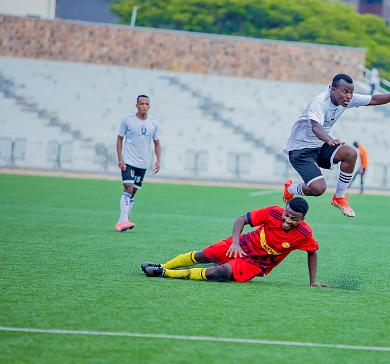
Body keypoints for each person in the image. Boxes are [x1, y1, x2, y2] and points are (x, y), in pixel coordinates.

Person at [282, 73, 390, 218]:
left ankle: (339, 198)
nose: (349, 96)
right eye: (345, 92)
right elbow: (316, 127)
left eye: (351, 92)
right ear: (333, 89)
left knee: (351, 153)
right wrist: (329, 140)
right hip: (300, 150)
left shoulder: (347, 99)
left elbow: (374, 99)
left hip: (320, 145)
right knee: (318, 189)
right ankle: (290, 189)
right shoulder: (319, 102)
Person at [141, 197, 328, 287]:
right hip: (243, 244)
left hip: (257, 263)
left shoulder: (304, 233)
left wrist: (313, 281)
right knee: (203, 255)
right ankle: (162, 265)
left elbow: (312, 252)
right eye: (286, 215)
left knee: (220, 273)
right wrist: (235, 243)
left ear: (302, 219)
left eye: (294, 219)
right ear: (284, 209)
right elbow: (241, 220)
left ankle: (164, 273)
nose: (287, 220)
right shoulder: (273, 212)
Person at [115, 95, 161, 232]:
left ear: (149, 106)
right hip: (128, 161)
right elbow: (119, 139)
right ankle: (124, 220)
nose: (144, 106)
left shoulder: (153, 124)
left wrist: (158, 160)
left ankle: (121, 221)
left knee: (133, 192)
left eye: (146, 104)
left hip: (143, 164)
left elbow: (157, 143)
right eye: (141, 104)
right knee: (128, 188)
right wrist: (120, 158)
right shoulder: (128, 120)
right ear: (136, 105)